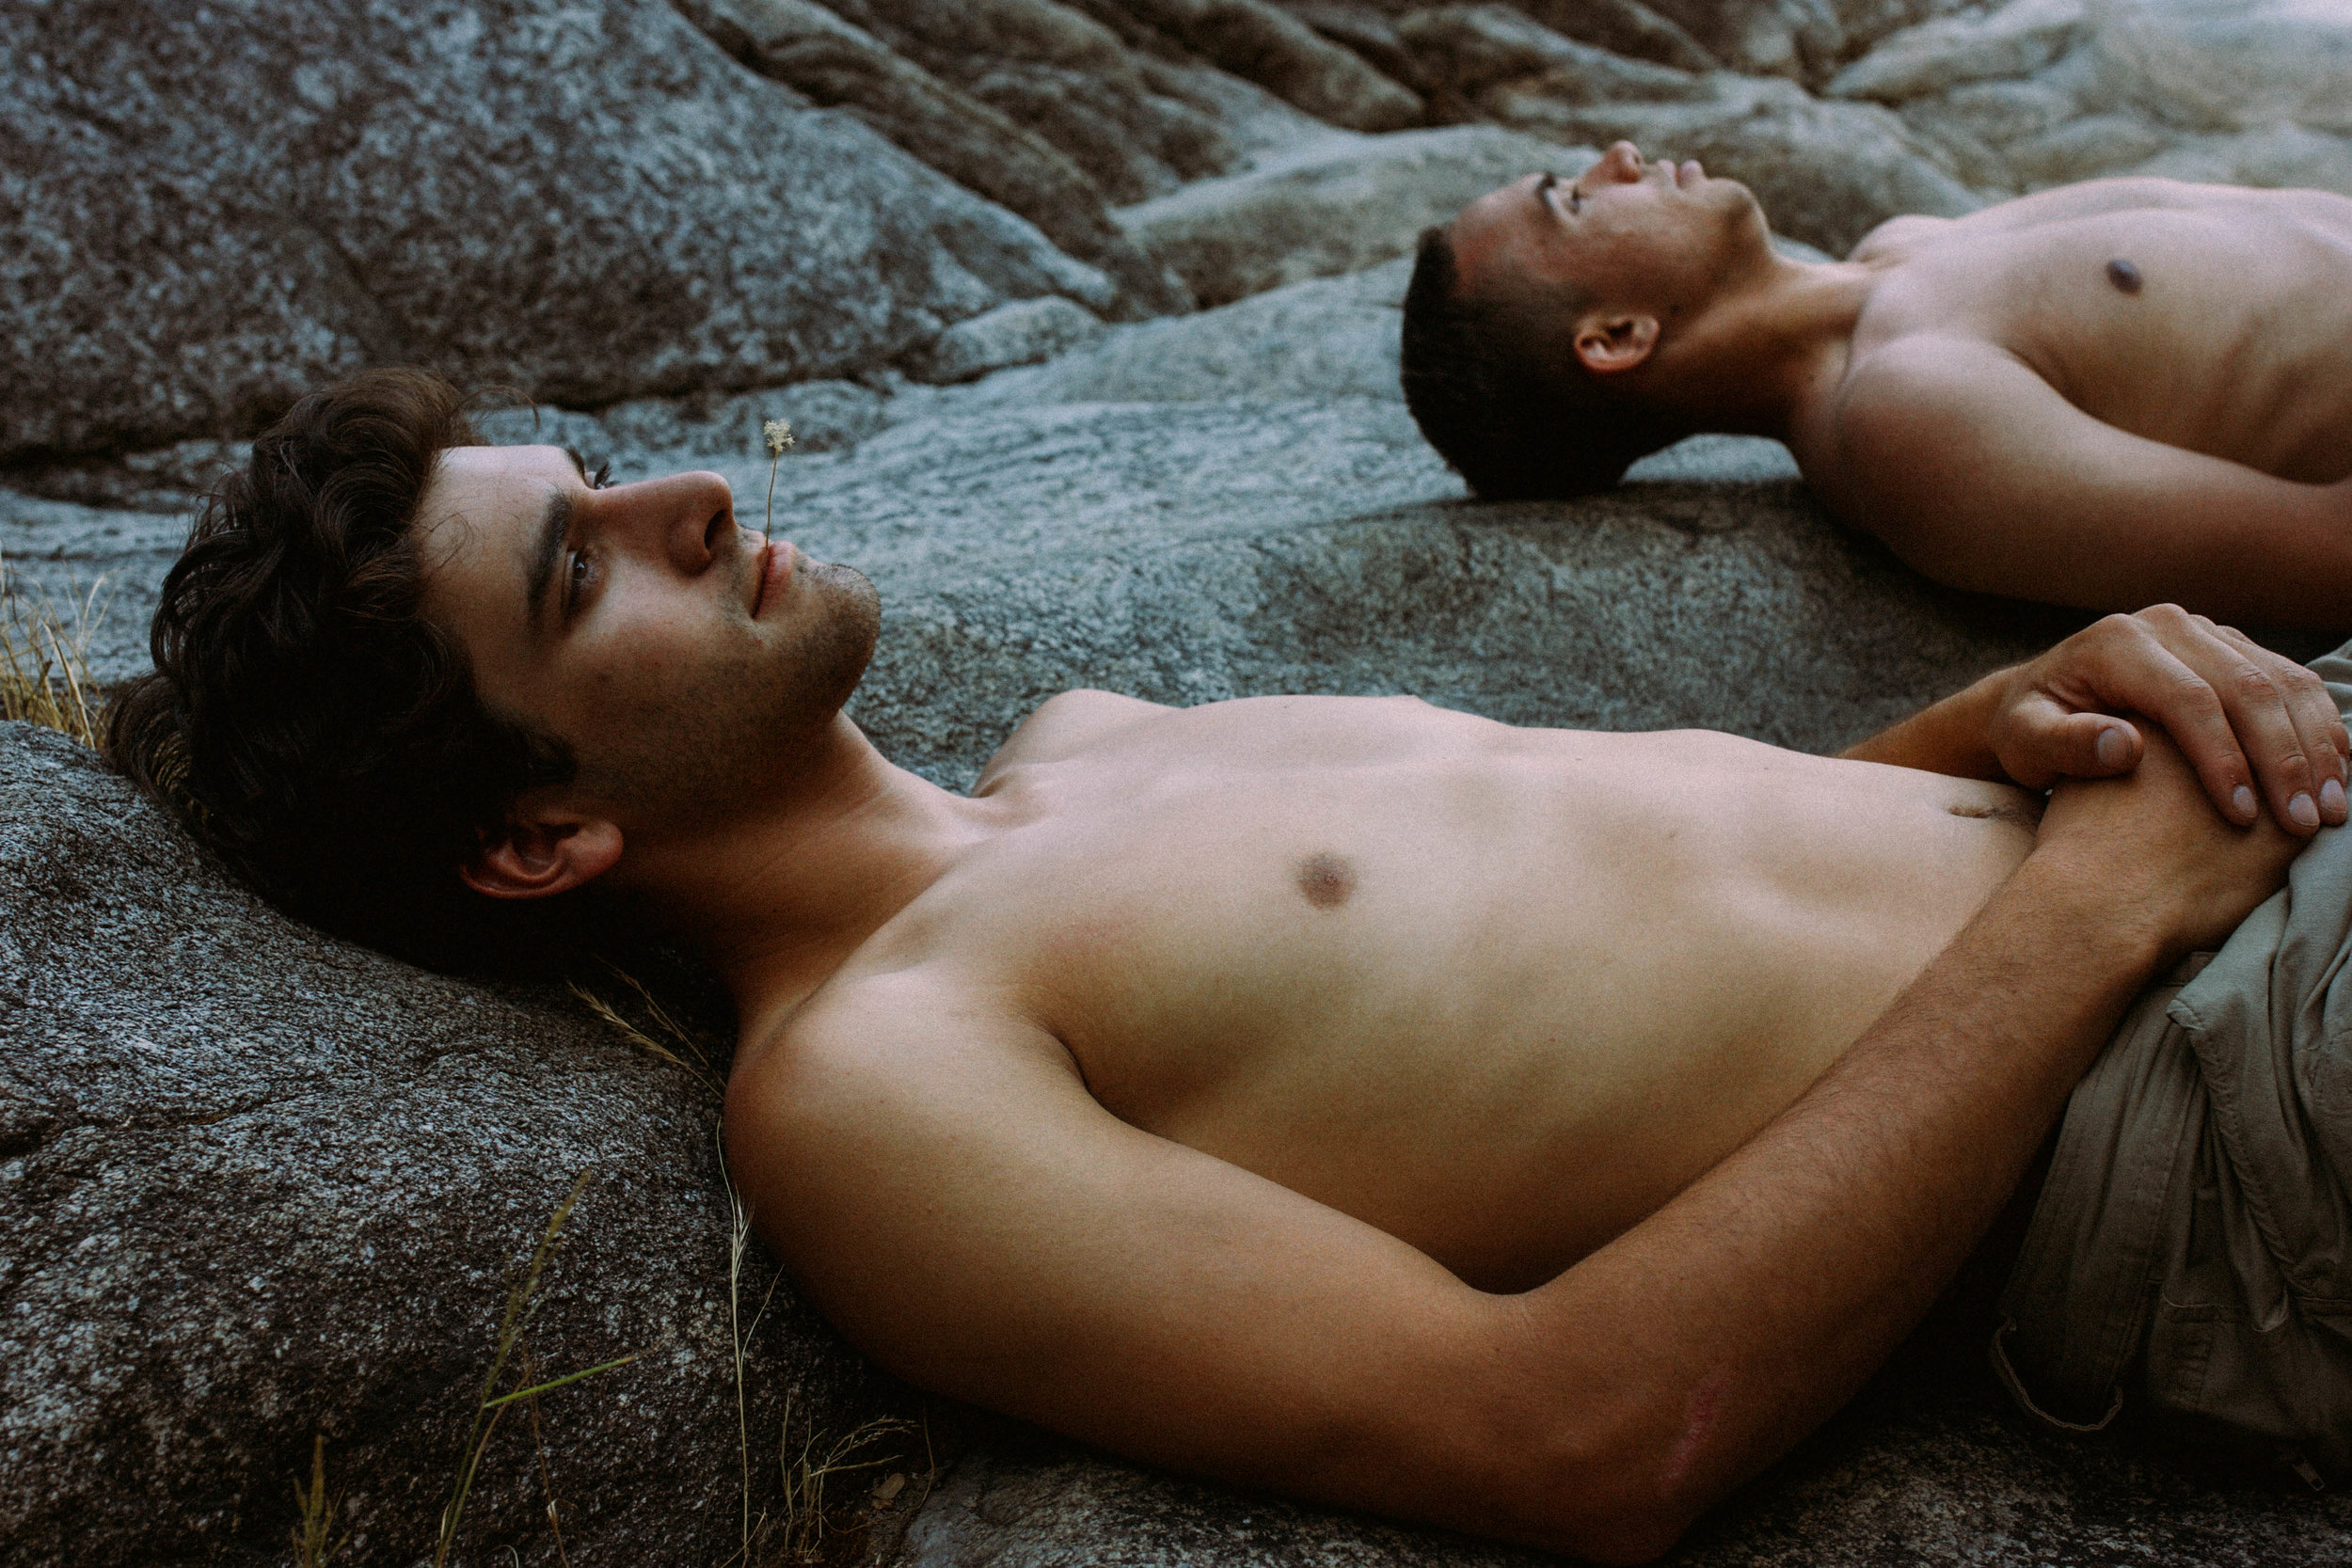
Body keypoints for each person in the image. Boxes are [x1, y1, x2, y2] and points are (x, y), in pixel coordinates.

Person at [108, 372, 2352, 1561]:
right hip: (2206, 1098)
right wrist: (2084, 920)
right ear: (541, 834)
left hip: (2196, 842)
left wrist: (2019, 717)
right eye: (579, 577)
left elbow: (1684, 929)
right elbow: (1577, 1443)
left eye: (590, 471)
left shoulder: (1098, 742)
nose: (685, 491)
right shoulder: (877, 1088)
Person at [1402, 144, 2352, 629]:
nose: (1616, 157)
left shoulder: (1904, 245)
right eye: (1574, 198)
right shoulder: (1908, 423)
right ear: (1614, 338)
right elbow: (2326, 553)